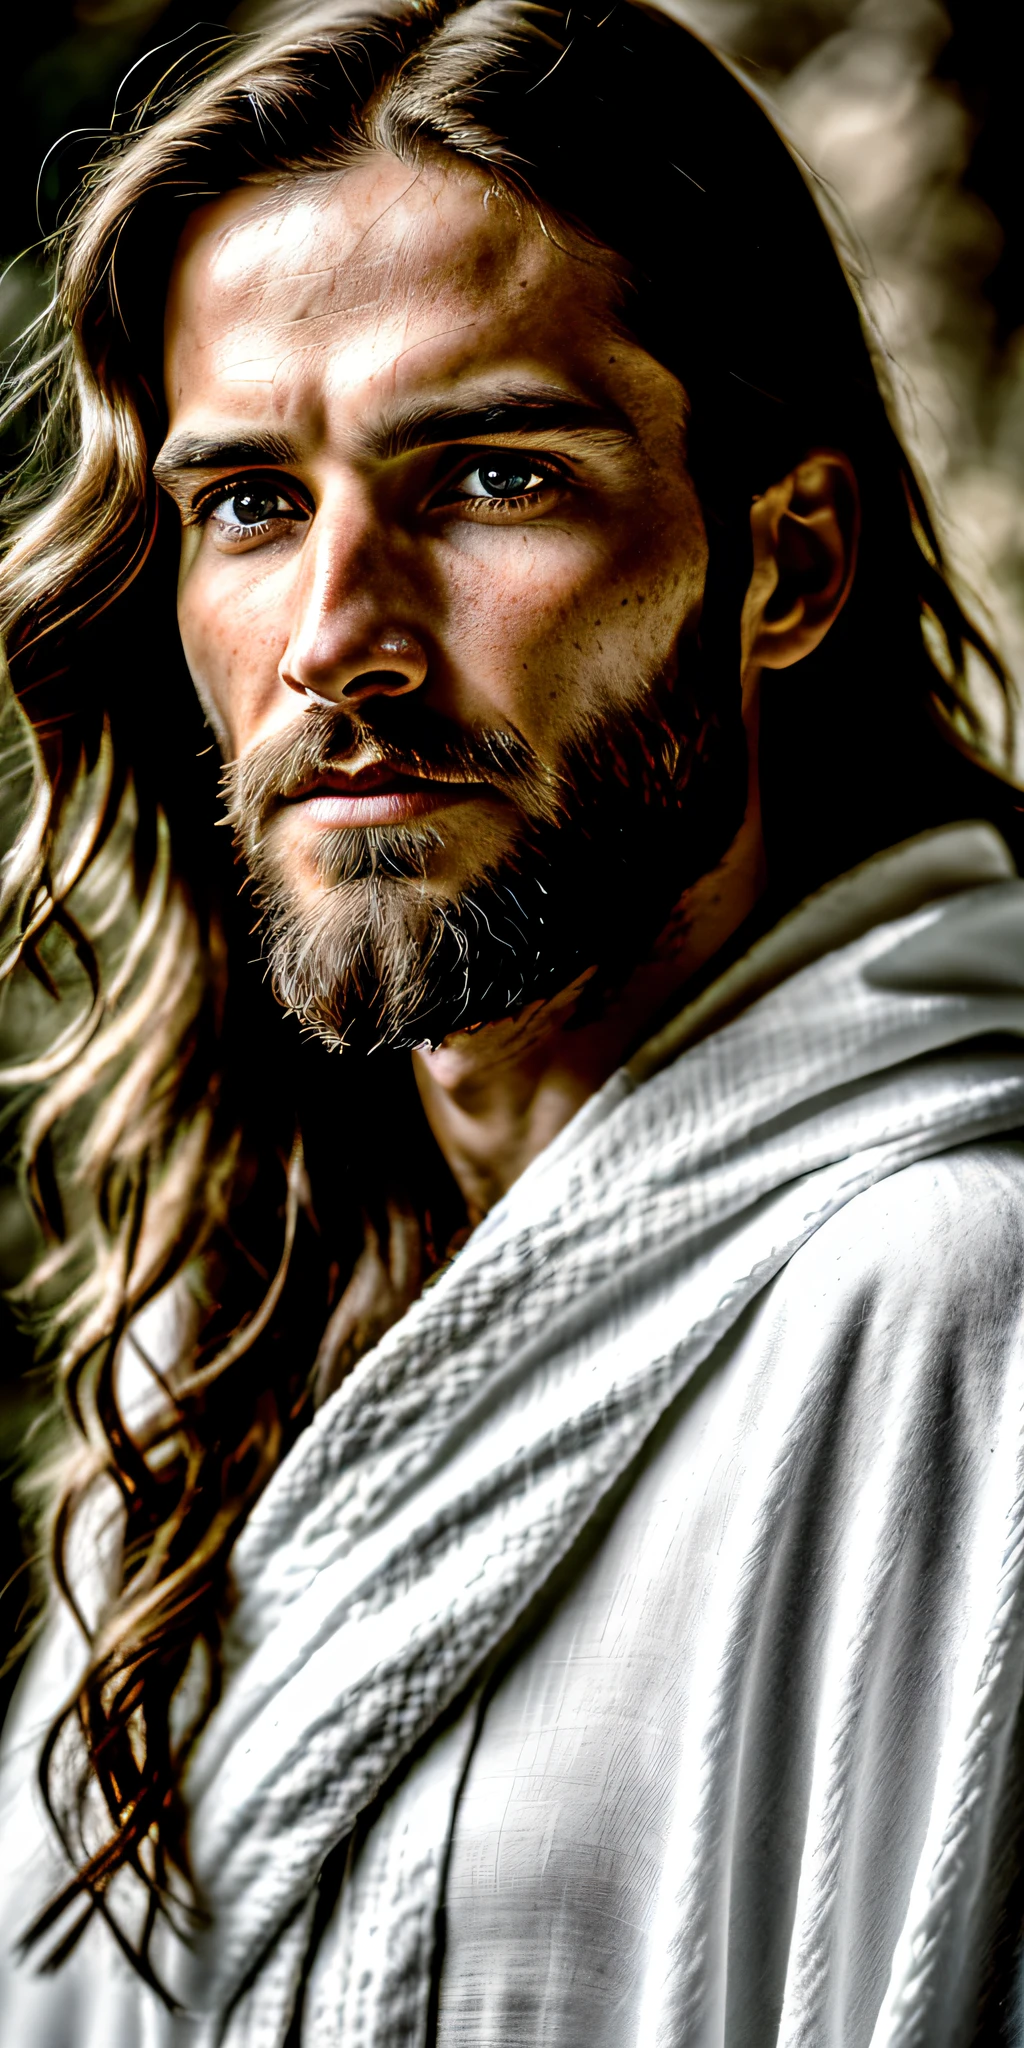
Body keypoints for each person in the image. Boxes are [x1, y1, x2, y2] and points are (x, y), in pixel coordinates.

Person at [4, 0, 1024, 2040]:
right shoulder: (218, 1352)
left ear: (785, 563)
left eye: (485, 476)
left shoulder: (962, 1304)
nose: (335, 641)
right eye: (249, 505)